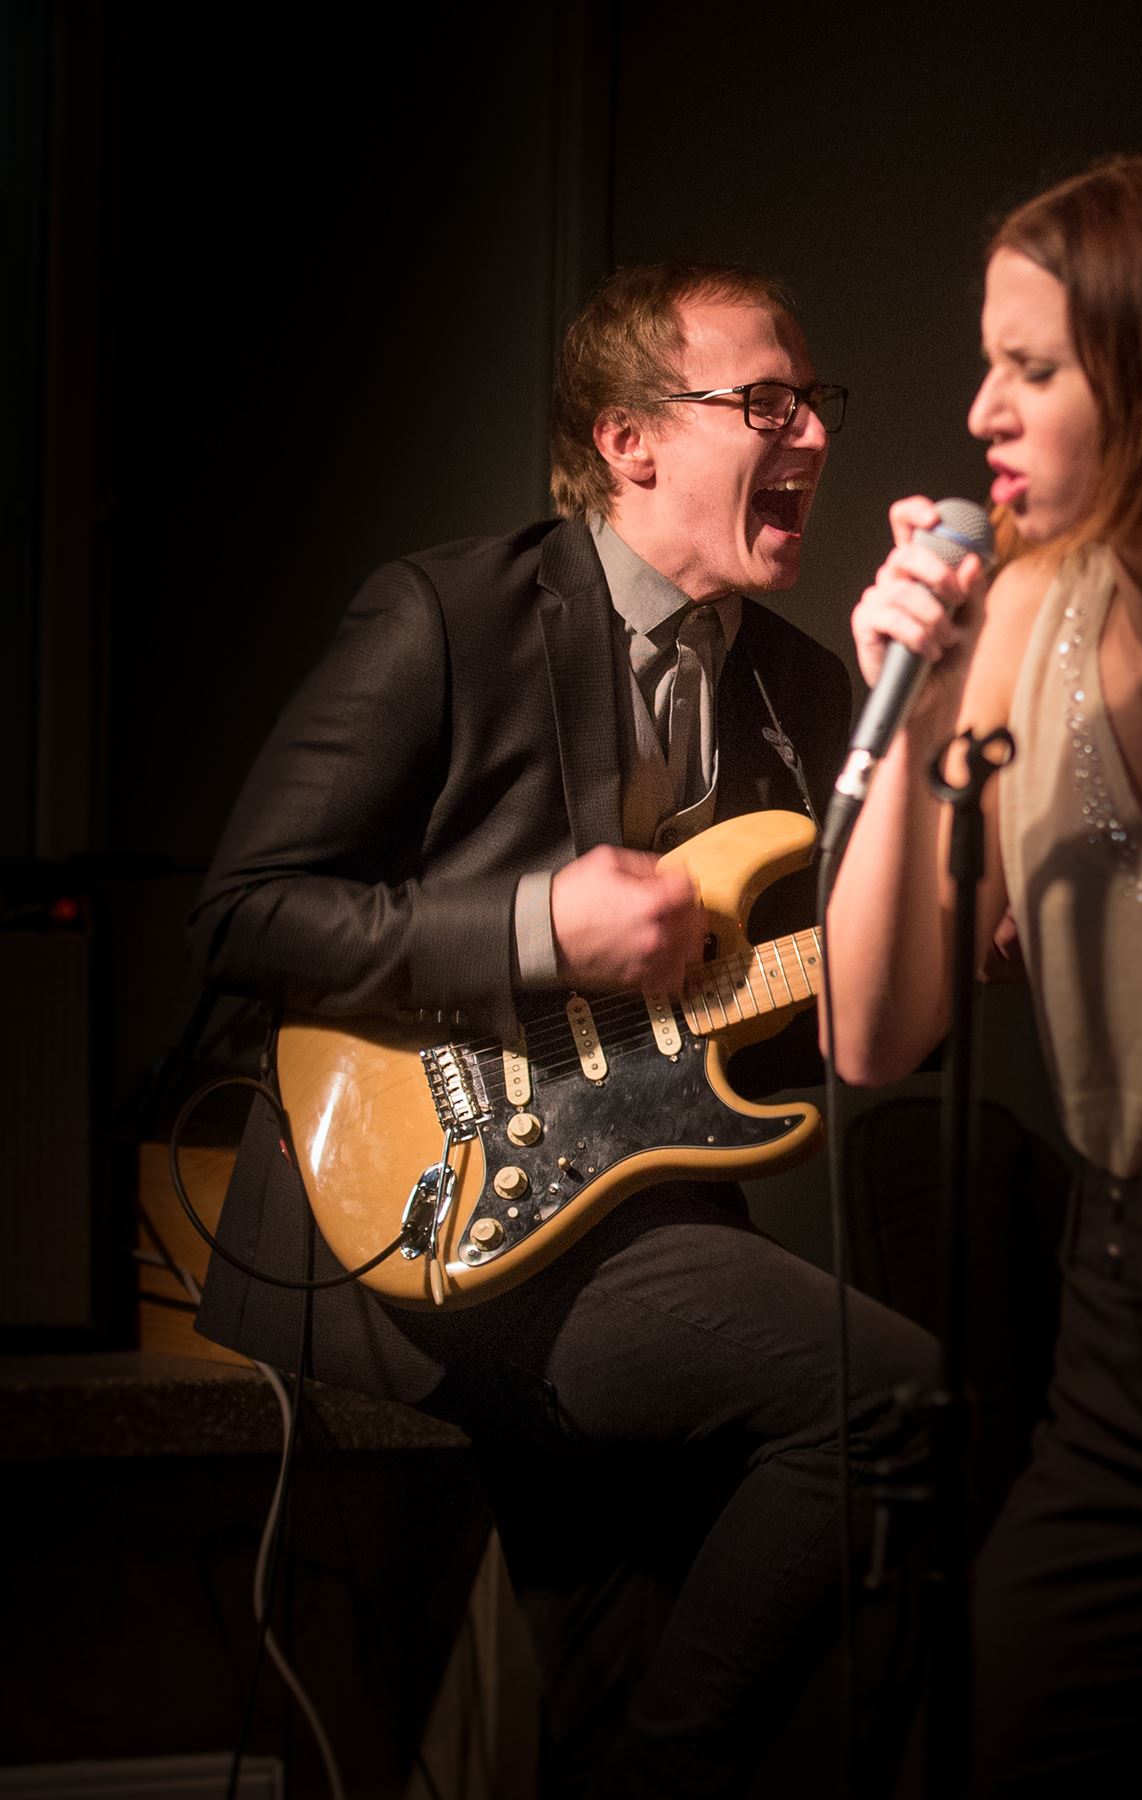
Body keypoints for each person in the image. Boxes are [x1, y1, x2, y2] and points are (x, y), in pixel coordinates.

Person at [187, 260, 935, 1798]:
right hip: (409, 1213)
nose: (811, 433)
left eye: (816, 402)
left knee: (618, 1673)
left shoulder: (800, 695)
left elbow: (806, 1031)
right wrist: (539, 927)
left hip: (628, 1213)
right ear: (628, 441)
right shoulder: (448, 613)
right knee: (884, 1393)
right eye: (765, 401)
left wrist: (936, 941)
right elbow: (244, 915)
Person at [826, 154, 1142, 1794]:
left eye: (1031, 369)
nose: (981, 411)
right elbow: (872, 1030)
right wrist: (923, 715)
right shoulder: (1027, 615)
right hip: (1128, 1333)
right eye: (990, 363)